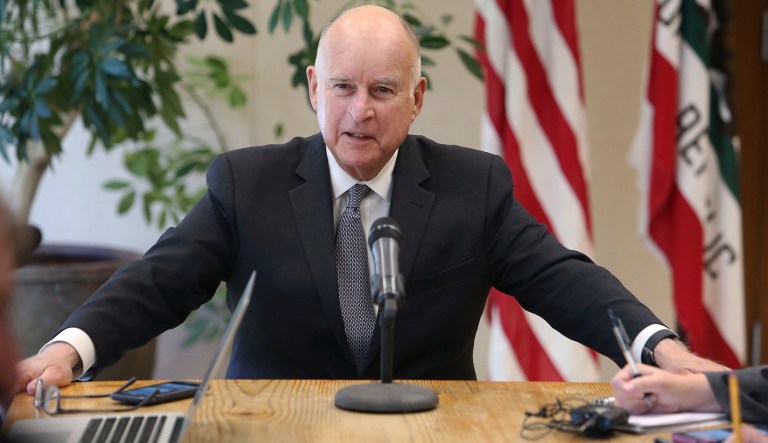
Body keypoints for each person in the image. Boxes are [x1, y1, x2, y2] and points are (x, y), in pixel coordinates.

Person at [16, 5, 725, 393]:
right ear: (311, 89)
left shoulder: (471, 186)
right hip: (275, 429)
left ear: (417, 99)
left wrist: (658, 346)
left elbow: (565, 279)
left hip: (428, 427)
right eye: (342, 88)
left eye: (383, 90)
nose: (360, 112)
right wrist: (62, 352)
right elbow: (157, 282)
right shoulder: (245, 182)